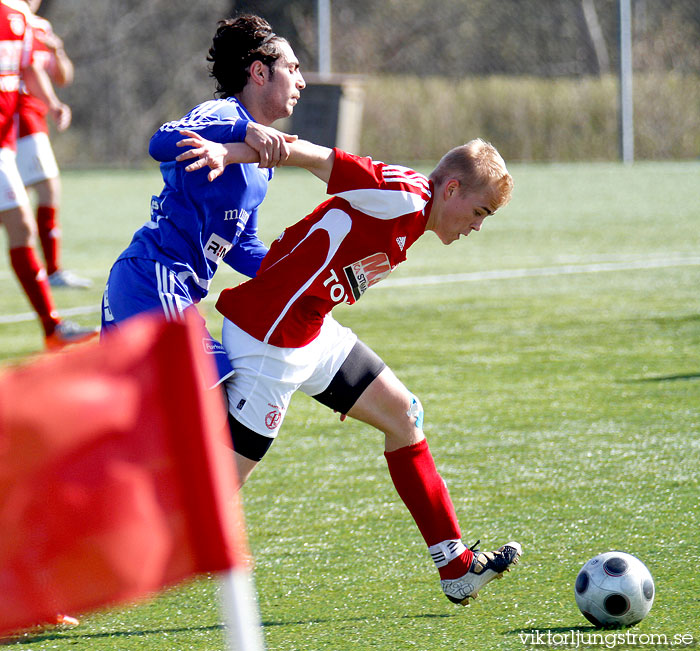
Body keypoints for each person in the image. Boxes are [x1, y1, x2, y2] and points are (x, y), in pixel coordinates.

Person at [175, 132, 522, 605]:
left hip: (311, 332)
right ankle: (68, 567)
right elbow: (314, 157)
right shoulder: (400, 193)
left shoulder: (417, 217)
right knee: (209, 495)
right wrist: (228, 152)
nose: (477, 227)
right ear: (453, 190)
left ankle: (456, 567)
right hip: (268, 342)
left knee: (404, 416)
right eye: (480, 213)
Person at [100, 13, 305, 386]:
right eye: (292, 68)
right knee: (213, 403)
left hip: (162, 288)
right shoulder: (224, 113)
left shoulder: (262, 163)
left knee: (140, 432)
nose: (301, 82)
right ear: (259, 73)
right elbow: (160, 141)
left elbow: (240, 245)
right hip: (153, 278)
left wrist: (295, 273)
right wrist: (244, 129)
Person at [0, 0, 95, 349]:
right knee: (21, 225)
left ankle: (51, 328)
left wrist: (52, 103)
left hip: (6, 140)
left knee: (20, 225)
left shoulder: (21, 18)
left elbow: (28, 69)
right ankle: (52, 327)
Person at [16, 0, 91, 289]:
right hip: (22, 116)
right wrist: (54, 105)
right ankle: (54, 270)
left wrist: (57, 50)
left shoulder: (41, 27)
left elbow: (63, 76)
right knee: (46, 188)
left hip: (34, 116)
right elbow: (30, 70)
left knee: (17, 199)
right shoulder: (16, 21)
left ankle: (52, 270)